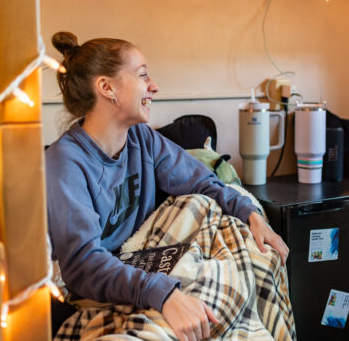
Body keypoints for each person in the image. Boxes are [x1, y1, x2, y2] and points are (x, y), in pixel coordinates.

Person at [45, 31, 289, 341]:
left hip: (148, 260)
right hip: (103, 283)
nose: (154, 86)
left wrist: (252, 215)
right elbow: (83, 266)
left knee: (221, 217)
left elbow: (201, 182)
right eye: (143, 75)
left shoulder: (142, 139)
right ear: (107, 87)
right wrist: (165, 295)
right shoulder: (64, 163)